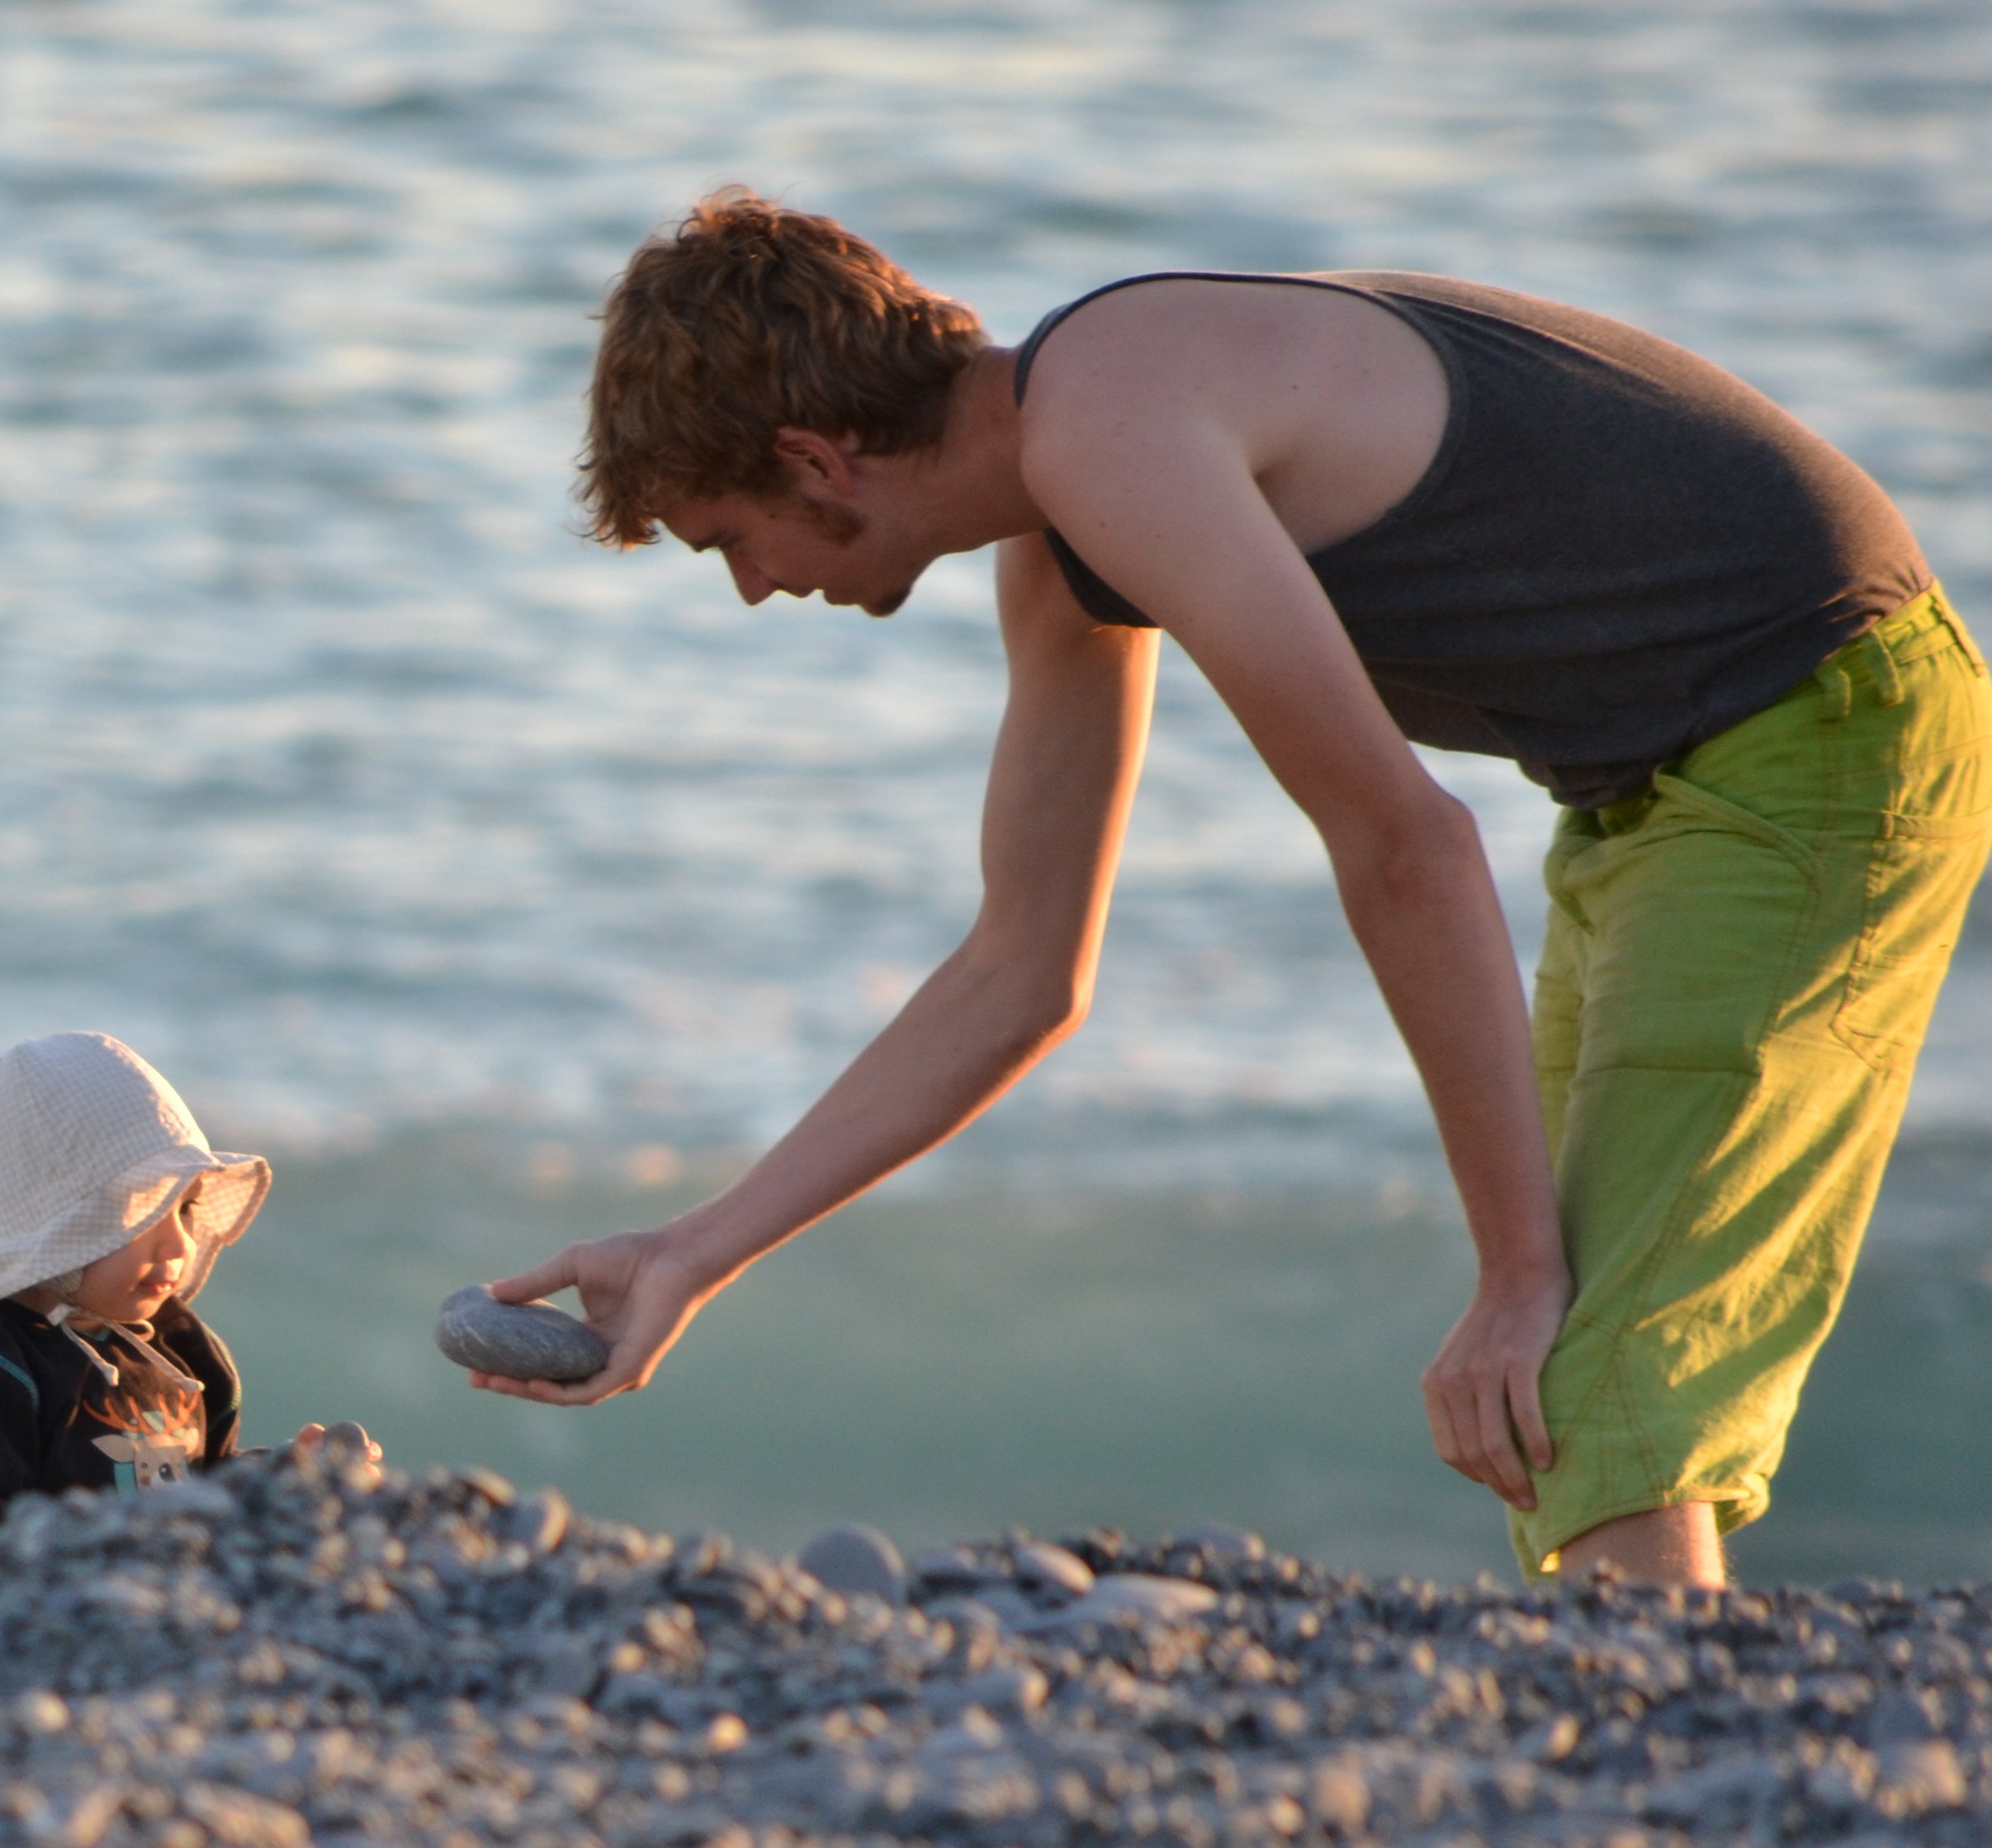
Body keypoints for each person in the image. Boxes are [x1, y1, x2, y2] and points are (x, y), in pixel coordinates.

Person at [480, 187, 1985, 1587]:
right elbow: (1022, 971)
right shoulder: (1064, 517)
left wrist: (1510, 1270)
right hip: (1645, 784)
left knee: (1577, 1371)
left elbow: (1405, 843)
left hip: (1820, 731)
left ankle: (1675, 1828)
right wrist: (693, 1249)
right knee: (1581, 1373)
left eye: (724, 541)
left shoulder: (1106, 427)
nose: (749, 589)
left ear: (812, 461)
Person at [0, 1032, 369, 1560]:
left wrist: (286, 1475)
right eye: (146, 1212)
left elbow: (209, 1485)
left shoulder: (181, 1350)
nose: (179, 1241)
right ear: (54, 1228)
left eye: (186, 1208)